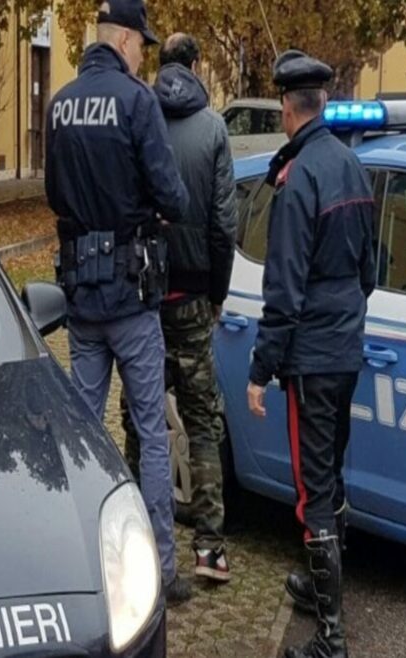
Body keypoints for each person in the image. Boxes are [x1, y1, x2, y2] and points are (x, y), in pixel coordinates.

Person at [44, 0, 193, 605]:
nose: (142, 57)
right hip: (132, 299)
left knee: (83, 434)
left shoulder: (59, 104)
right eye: (142, 46)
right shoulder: (137, 102)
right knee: (151, 433)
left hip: (82, 300)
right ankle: (162, 568)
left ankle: (81, 564)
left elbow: (54, 193)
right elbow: (174, 197)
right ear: (126, 41)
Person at [246, 50, 376, 658]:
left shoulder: (298, 179)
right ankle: (321, 589)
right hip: (346, 351)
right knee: (333, 474)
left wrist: (260, 369)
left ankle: (331, 639)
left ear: (285, 108)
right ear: (320, 102)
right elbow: (369, 270)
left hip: (312, 358)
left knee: (312, 491)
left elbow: (284, 288)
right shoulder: (352, 164)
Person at [119, 32, 238, 584]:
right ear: (194, 65)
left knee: (139, 418)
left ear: (160, 63)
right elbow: (223, 223)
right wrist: (217, 292)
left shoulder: (136, 115)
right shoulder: (213, 128)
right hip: (191, 297)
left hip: (143, 296)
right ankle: (209, 550)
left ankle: (134, 537)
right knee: (202, 420)